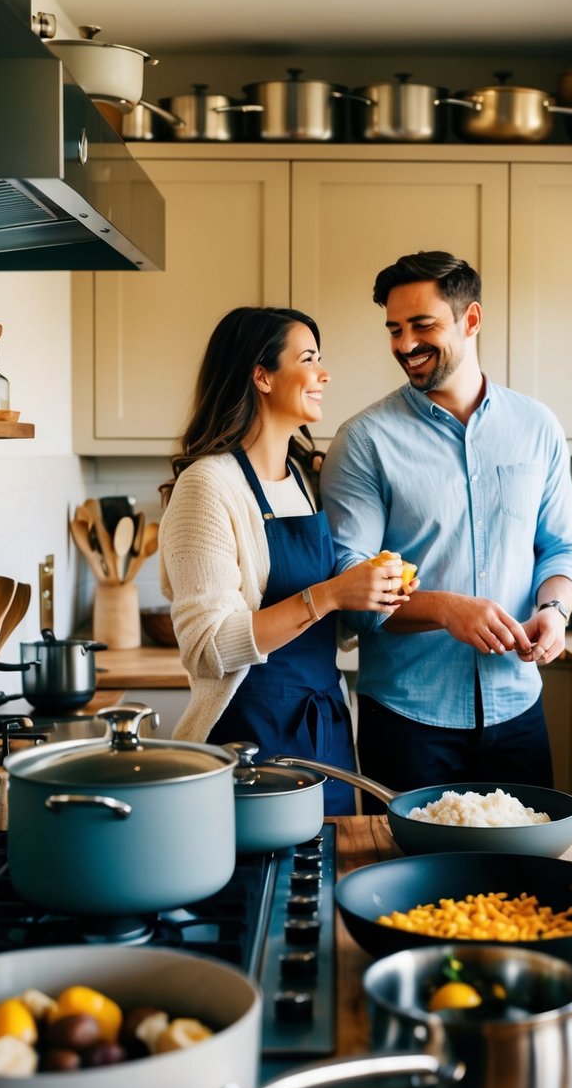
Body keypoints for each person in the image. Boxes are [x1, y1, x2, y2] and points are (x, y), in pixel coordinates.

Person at [319, 251, 572, 802]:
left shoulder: (537, 427)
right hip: (406, 722)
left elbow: (564, 548)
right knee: (406, 883)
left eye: (423, 325)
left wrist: (554, 611)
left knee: (526, 881)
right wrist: (446, 608)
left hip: (519, 711)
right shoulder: (364, 441)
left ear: (471, 320)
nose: (404, 344)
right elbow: (350, 587)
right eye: (395, 329)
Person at [158, 306, 411, 815]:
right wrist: (333, 594)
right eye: (309, 358)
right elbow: (207, 648)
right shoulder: (207, 487)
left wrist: (370, 590)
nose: (324, 374)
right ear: (261, 376)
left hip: (327, 732)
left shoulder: (303, 480)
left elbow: (323, 628)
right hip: (249, 739)